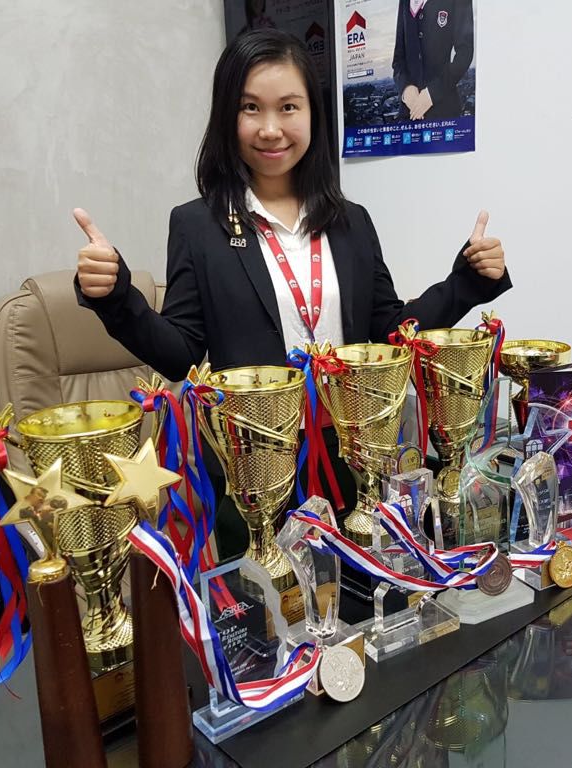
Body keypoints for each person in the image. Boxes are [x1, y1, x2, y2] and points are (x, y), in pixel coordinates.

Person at [73, 29, 509, 555]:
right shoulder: (199, 226)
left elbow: (389, 335)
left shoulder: (351, 222)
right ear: (227, 116)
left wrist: (466, 283)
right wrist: (115, 296)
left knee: (365, 589)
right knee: (269, 597)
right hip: (254, 464)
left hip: (354, 451)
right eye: (250, 108)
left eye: (288, 107)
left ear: (312, 115)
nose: (270, 128)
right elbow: (179, 353)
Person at [393, 0, 474, 121]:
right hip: (409, 112)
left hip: (444, 110)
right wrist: (406, 88)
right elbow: (398, 58)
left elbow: (465, 53)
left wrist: (432, 93)